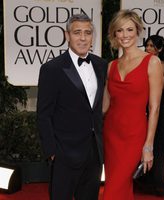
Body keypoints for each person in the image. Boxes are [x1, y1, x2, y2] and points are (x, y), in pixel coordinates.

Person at [37, 14, 107, 200]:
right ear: (67, 35)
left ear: (93, 36)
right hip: (64, 154)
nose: (83, 38)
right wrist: (52, 152)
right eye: (77, 33)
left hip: (94, 153)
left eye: (88, 33)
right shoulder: (52, 69)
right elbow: (44, 114)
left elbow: (99, 107)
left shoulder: (101, 65)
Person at [102, 10, 163, 200]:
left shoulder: (152, 62)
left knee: (113, 190)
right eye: (119, 30)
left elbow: (154, 108)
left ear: (138, 31)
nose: (125, 35)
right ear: (114, 34)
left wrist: (148, 146)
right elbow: (105, 105)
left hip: (134, 135)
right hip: (111, 134)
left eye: (129, 29)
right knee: (119, 186)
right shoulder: (111, 66)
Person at [135, 35, 164, 196]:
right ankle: (142, 183)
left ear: (160, 49)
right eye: (147, 46)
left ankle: (158, 185)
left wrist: (157, 66)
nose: (149, 49)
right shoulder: (141, 62)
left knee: (157, 146)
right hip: (141, 107)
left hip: (158, 109)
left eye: (152, 46)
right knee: (139, 144)